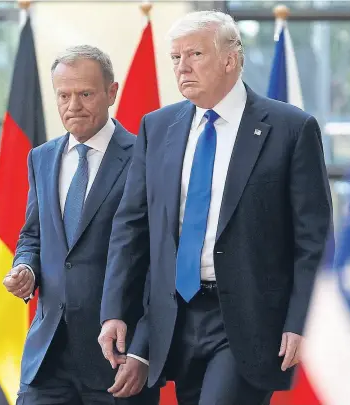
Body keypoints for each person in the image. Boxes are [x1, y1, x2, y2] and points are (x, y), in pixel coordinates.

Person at [99, 10, 333, 405]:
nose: (182, 67)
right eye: (175, 57)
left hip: (247, 317)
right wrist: (114, 311)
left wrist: (301, 319)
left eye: (195, 55)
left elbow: (314, 238)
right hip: (177, 316)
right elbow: (131, 228)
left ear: (230, 59)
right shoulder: (157, 127)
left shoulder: (290, 128)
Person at [2, 45, 159, 405]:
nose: (73, 105)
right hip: (48, 356)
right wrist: (25, 266)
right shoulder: (40, 157)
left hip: (116, 357)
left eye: (86, 94)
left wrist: (142, 351)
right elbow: (33, 236)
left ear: (112, 92)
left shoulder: (145, 159)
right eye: (64, 95)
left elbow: (157, 261)